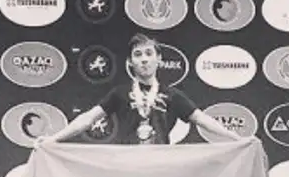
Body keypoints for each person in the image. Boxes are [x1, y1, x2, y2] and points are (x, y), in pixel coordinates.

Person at [35, 33, 245, 146]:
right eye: (138, 54)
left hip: (160, 167)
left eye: (149, 53)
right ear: (130, 61)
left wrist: (236, 138)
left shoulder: (173, 95)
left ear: (158, 59)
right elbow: (88, 119)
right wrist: (54, 138)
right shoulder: (119, 93)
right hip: (126, 167)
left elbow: (202, 120)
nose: (144, 59)